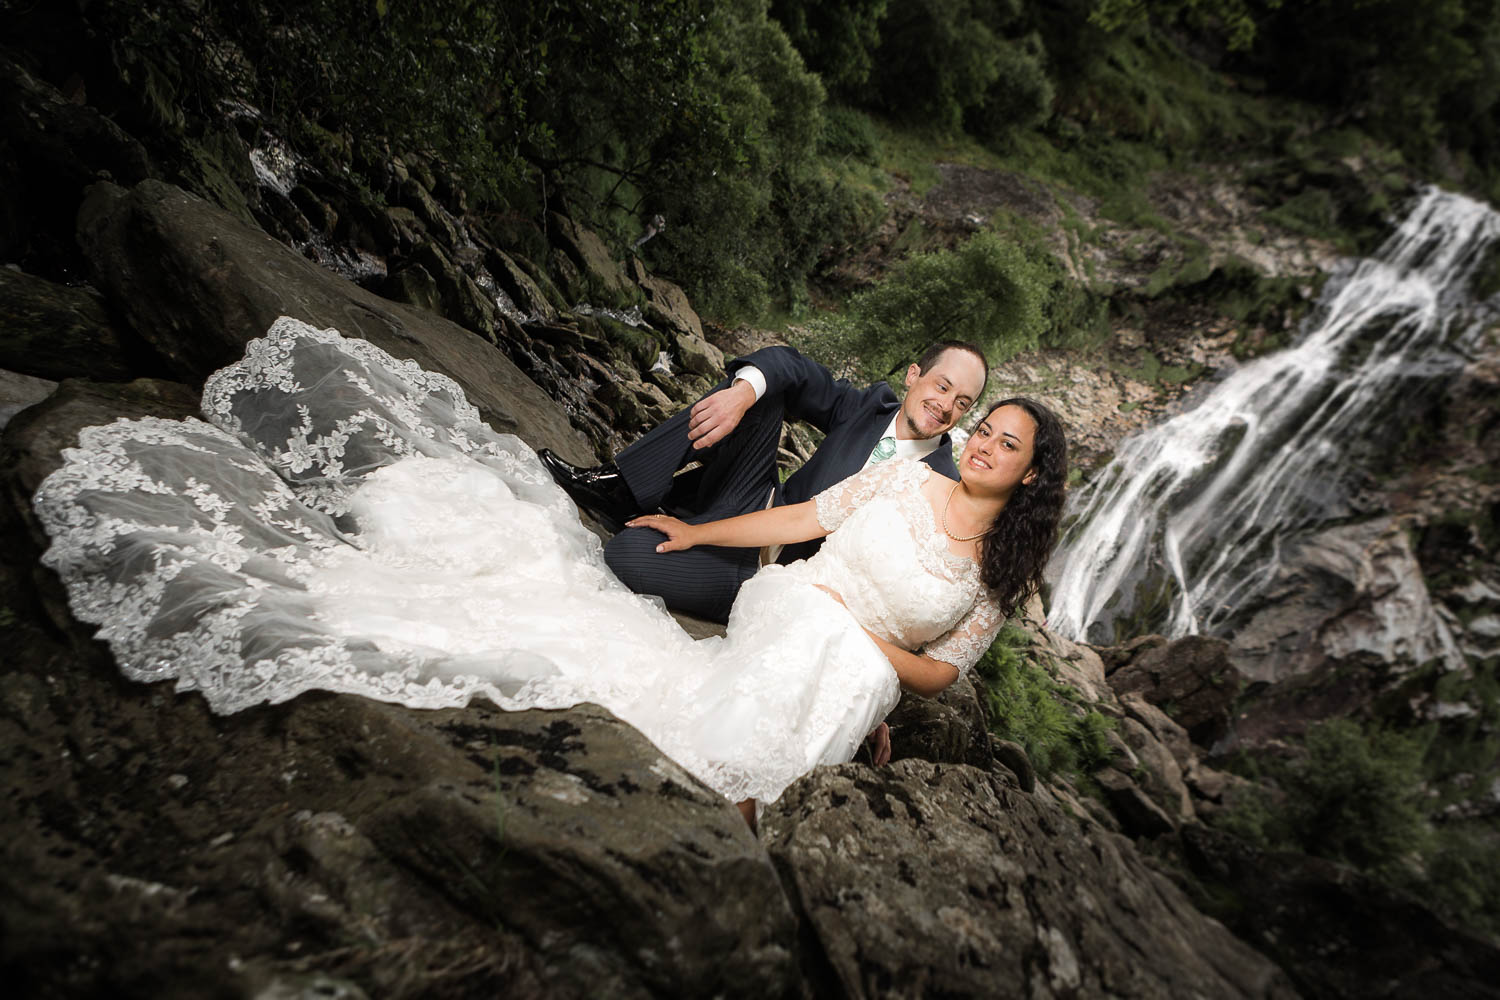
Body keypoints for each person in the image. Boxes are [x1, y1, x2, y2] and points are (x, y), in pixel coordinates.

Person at [31, 318, 1067, 822]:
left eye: (966, 410)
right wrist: (749, 388)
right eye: (941, 390)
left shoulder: (951, 497)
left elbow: (936, 643)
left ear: (983, 436)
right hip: (770, 546)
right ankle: (632, 482)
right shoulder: (869, 417)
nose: (947, 412)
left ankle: (651, 531)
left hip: (797, 596)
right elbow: (800, 440)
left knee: (636, 580)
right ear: (923, 380)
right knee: (738, 410)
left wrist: (880, 668)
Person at [539, 340, 990, 623]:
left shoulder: (941, 486)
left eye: (963, 401)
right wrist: (741, 393)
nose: (946, 405)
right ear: (915, 375)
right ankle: (623, 486)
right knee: (759, 391)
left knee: (625, 553)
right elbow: (790, 364)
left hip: (768, 576)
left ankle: (680, 536)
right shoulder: (868, 407)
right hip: (753, 497)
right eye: (942, 385)